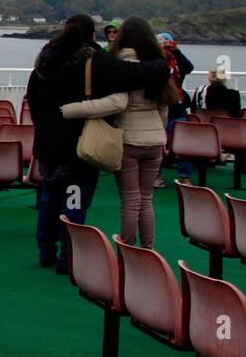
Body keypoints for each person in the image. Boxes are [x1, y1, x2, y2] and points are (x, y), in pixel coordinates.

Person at [25, 13, 169, 274]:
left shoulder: (43, 62)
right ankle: (67, 258)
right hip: (79, 146)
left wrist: (46, 125)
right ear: (92, 35)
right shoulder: (93, 60)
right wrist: (162, 63)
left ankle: (45, 250)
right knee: (74, 202)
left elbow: (32, 100)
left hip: (47, 143)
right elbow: (135, 73)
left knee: (49, 199)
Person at [58, 16, 176, 249]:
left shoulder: (116, 65)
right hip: (154, 140)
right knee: (146, 199)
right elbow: (164, 108)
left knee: (130, 201)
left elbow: (117, 103)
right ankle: (148, 247)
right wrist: (158, 131)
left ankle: (129, 248)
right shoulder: (157, 67)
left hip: (129, 138)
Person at [158, 32, 195, 187]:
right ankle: (156, 175)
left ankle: (185, 176)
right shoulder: (154, 62)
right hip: (158, 106)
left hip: (176, 106)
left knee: (184, 142)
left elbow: (189, 67)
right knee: (157, 143)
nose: (165, 48)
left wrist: (176, 51)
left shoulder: (177, 63)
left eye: (167, 44)